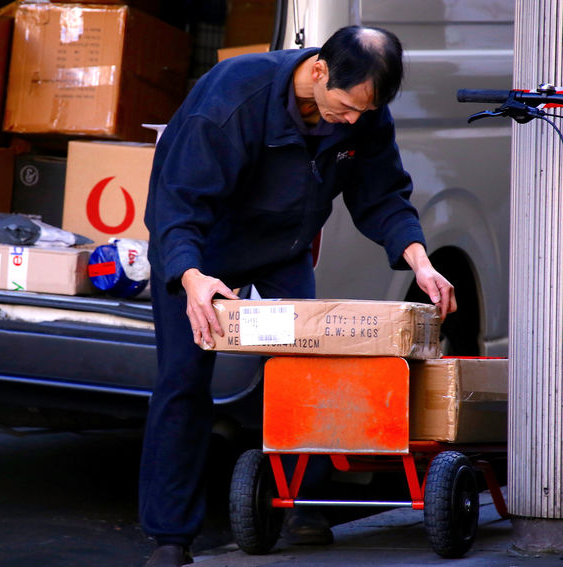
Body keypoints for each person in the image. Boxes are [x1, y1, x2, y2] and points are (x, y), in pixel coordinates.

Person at [140, 25, 457, 567]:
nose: (353, 120)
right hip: (202, 248)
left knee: (306, 370)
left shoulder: (363, 114)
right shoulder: (234, 97)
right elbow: (178, 201)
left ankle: (303, 504)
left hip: (282, 249)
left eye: (365, 111)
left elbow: (382, 196)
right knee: (183, 381)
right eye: (346, 105)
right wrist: (190, 276)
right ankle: (171, 537)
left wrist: (421, 262)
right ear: (318, 71)